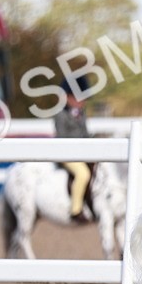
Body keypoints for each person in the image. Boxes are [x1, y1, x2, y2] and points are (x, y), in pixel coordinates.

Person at [56, 72, 91, 221]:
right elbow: (62, 136)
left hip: (83, 153)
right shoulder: (61, 115)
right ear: (68, 97)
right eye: (77, 97)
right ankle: (75, 209)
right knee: (83, 174)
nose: (81, 101)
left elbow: (85, 134)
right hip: (67, 155)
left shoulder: (81, 114)